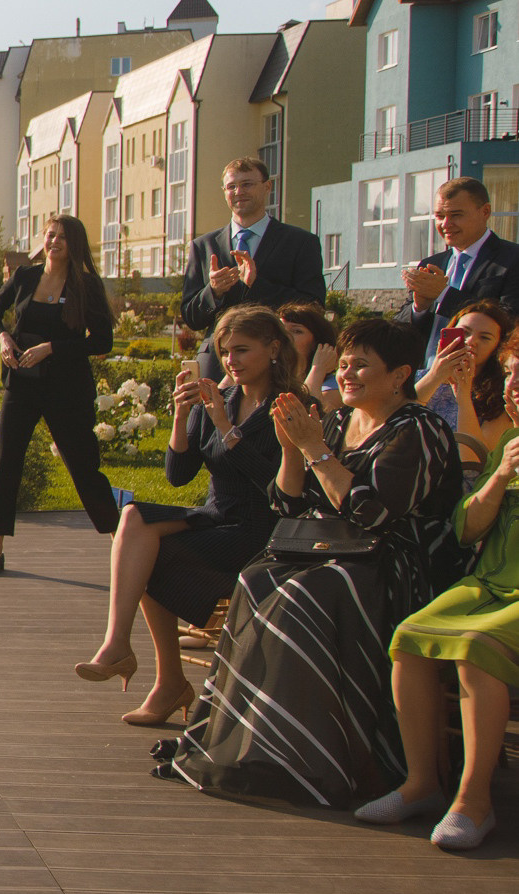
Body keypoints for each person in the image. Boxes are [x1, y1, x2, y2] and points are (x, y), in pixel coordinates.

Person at [170, 316, 462, 809]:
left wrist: (314, 450)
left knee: (304, 593)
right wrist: (291, 450)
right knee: (258, 579)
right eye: (343, 364)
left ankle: (327, 755)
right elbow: (288, 504)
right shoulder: (338, 422)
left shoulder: (418, 429)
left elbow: (372, 511)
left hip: (396, 560)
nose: (346, 374)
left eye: (361, 365)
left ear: (399, 375)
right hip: (333, 549)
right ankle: (267, 748)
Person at [73, 306, 294, 727]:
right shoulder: (226, 397)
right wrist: (182, 414)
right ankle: (119, 643)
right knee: (134, 517)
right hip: (217, 514)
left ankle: (169, 682)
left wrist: (226, 428)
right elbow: (178, 475)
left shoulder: (288, 406)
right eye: (226, 352)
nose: (232, 361)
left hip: (258, 527)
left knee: (152, 551)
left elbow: (278, 488)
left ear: (274, 348)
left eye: (242, 350)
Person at [357, 364, 519, 850]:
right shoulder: (510, 442)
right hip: (488, 583)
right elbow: (467, 529)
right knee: (409, 638)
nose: (514, 386)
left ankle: (474, 802)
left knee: (474, 648)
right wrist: (503, 472)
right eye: (513, 376)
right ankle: (422, 783)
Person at [0, 214, 119, 576]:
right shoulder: (25, 277)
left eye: (63, 238)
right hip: (21, 384)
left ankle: (123, 539)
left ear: (75, 245)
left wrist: (52, 348)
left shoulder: (86, 285)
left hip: (66, 389)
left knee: (84, 467)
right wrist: (3, 338)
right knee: (7, 463)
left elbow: (102, 341)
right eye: (50, 235)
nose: (54, 242)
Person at [177, 156, 326, 383]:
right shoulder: (204, 246)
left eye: (247, 184)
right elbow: (191, 317)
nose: (239, 192)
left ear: (267, 187)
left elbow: (314, 306)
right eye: (231, 186)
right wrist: (214, 291)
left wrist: (257, 286)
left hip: (276, 362)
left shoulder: (300, 242)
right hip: (217, 364)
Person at [394, 175, 519, 353]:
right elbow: (399, 331)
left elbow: (510, 321)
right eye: (439, 216)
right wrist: (419, 307)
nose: (446, 224)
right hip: (426, 376)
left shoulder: (512, 259)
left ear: (485, 212)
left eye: (456, 215)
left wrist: (443, 295)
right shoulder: (430, 264)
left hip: (481, 376)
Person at [410, 297, 512, 461]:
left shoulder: (498, 395)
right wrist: (435, 376)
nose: (471, 341)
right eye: (464, 332)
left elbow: (476, 459)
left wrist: (464, 397)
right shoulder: (417, 378)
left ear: (497, 348)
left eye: (484, 337)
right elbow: (393, 421)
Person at [278, 301, 342, 416]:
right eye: (281, 330)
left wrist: (318, 369)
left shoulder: (332, 389)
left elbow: (304, 417)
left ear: (317, 343)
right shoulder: (272, 379)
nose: (285, 336)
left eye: (296, 331)